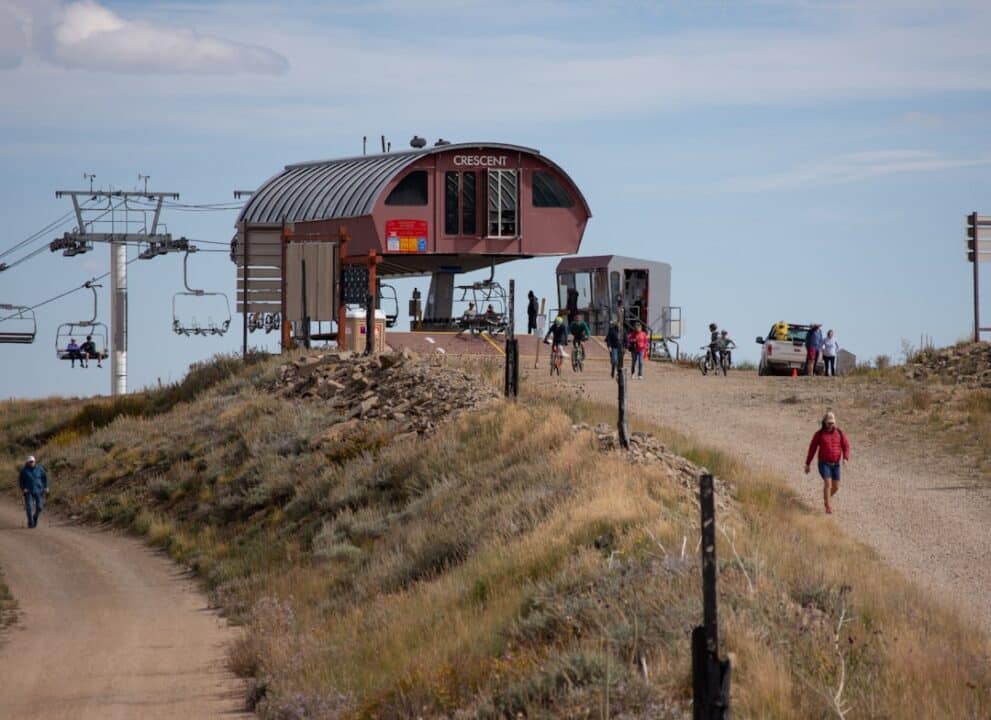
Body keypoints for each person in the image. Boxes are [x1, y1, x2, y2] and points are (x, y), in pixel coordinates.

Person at [804, 411, 850, 514]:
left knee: (836, 486)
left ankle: (827, 497)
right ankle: (828, 506)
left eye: (832, 423)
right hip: (824, 463)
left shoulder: (840, 433)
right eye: (829, 423)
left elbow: (846, 446)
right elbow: (812, 449)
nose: (830, 425)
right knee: (828, 484)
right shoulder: (819, 434)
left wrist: (845, 458)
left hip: (836, 464)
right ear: (824, 422)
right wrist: (808, 464)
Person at [18, 455, 49, 528]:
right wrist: (23, 488)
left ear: (35, 461)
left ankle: (35, 517)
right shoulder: (24, 470)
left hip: (39, 490)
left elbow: (45, 478)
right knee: (29, 507)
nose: (31, 463)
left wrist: (46, 487)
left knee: (40, 507)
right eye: (30, 462)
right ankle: (30, 522)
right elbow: (21, 481)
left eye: (32, 461)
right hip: (28, 491)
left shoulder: (40, 468)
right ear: (27, 462)